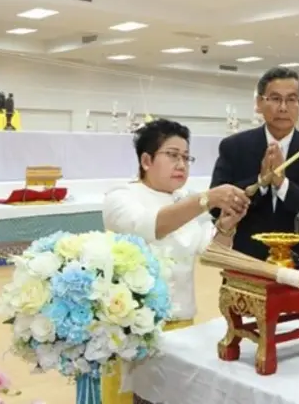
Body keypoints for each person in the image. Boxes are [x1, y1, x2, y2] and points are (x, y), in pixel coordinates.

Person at [102, 119, 249, 404]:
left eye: (186, 157)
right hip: (132, 327)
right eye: (172, 155)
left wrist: (227, 225)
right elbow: (149, 225)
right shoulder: (121, 196)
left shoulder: (185, 200)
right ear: (146, 160)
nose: (181, 164)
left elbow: (209, 252)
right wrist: (206, 199)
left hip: (181, 325)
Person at [209, 66, 299, 260]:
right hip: (246, 258)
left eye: (291, 99)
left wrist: (282, 184)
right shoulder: (234, 147)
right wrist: (261, 181)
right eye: (275, 99)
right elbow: (215, 206)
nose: (283, 108)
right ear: (259, 102)